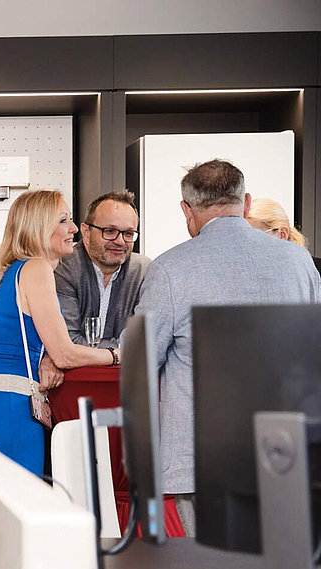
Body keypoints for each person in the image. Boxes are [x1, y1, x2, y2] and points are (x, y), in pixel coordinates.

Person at [134, 160, 321, 536]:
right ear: (246, 202)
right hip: (285, 453)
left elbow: (139, 363)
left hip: (203, 462)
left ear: (187, 210)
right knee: (281, 563)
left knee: (211, 566)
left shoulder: (170, 269)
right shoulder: (298, 261)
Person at [0, 189, 118, 475]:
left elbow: (44, 346)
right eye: (63, 220)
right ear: (39, 228)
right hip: (14, 415)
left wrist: (47, 358)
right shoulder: (36, 269)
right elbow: (65, 353)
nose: (73, 228)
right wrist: (116, 355)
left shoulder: (15, 273)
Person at [53, 190, 150, 350]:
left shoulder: (145, 272)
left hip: (126, 367)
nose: (120, 241)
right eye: (110, 231)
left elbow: (147, 340)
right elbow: (68, 342)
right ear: (86, 232)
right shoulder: (63, 267)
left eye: (128, 233)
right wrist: (120, 350)